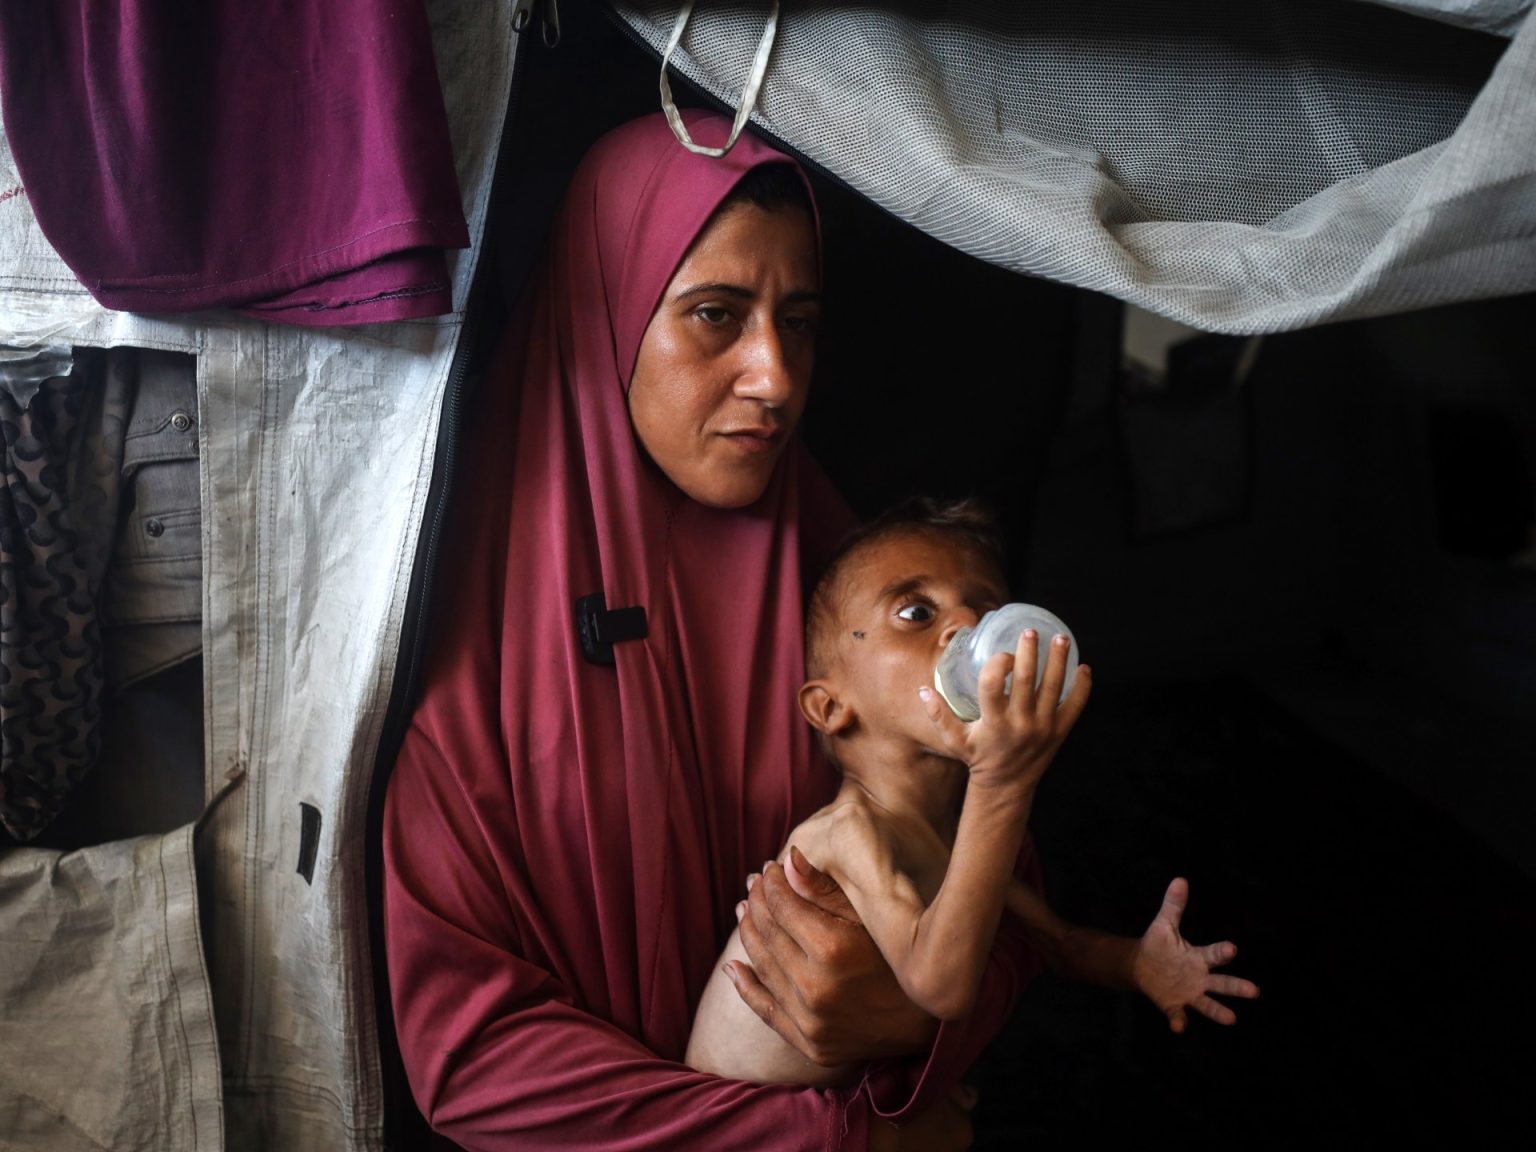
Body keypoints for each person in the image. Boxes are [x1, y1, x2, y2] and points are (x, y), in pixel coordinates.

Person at [383, 110, 1031, 1152]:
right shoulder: (467, 665)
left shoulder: (861, 602)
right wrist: (825, 1139)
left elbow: (1005, 880)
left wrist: (921, 1017)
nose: (775, 377)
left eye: (801, 321)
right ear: (604, 317)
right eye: (717, 315)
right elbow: (470, 1059)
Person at [686, 499, 1260, 1085]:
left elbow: (1056, 942)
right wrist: (1001, 784)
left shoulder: (956, 833)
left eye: (987, 610)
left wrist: (1138, 963)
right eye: (915, 611)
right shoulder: (842, 834)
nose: (966, 624)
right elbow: (939, 986)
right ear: (831, 707)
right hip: (729, 1128)